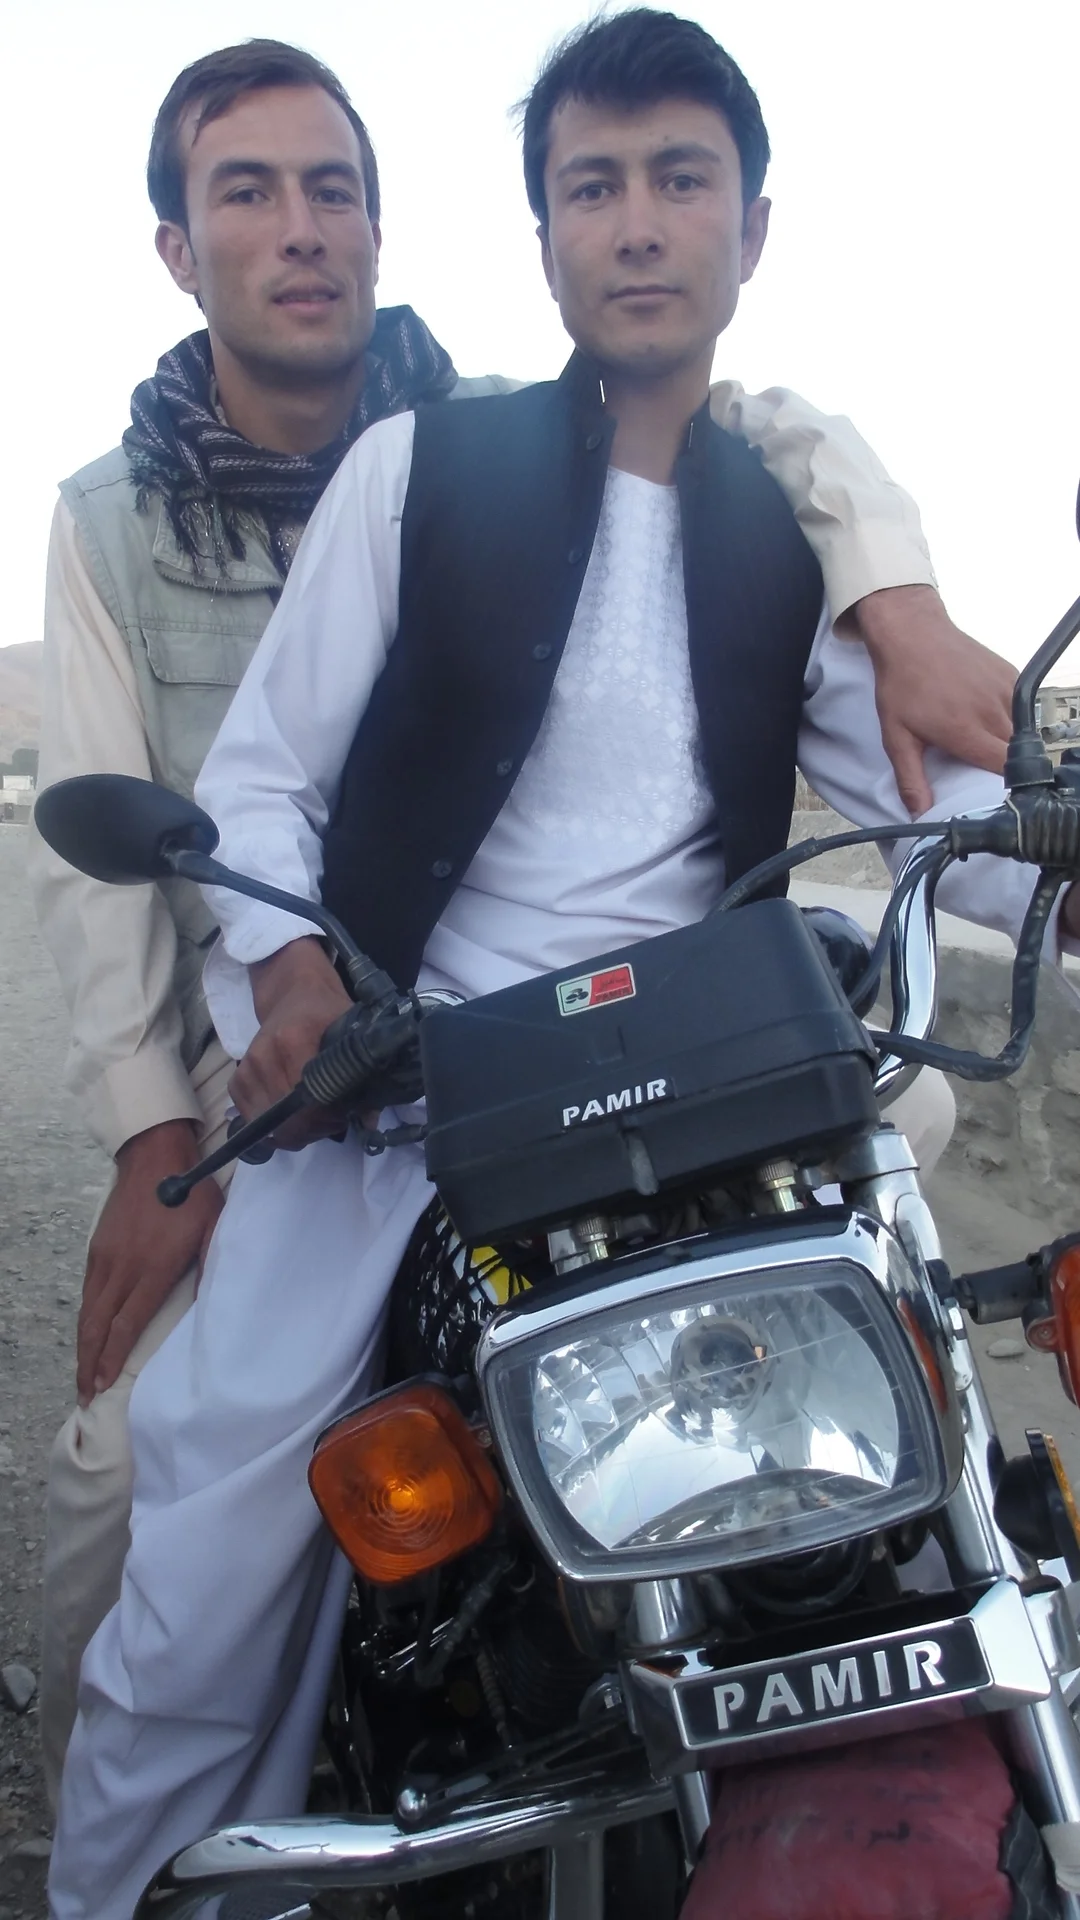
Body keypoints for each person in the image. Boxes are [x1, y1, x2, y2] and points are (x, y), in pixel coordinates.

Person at [39, 20, 1028, 1906]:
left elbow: (938, 804)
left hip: (694, 1116)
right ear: (545, 236)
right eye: (595, 187)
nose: (640, 226)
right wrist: (299, 984)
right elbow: (254, 780)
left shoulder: (776, 541)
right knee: (210, 1547)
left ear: (755, 226)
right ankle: (134, 1886)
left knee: (917, 1478)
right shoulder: (422, 467)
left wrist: (1042, 842)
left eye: (680, 181)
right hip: (402, 1103)